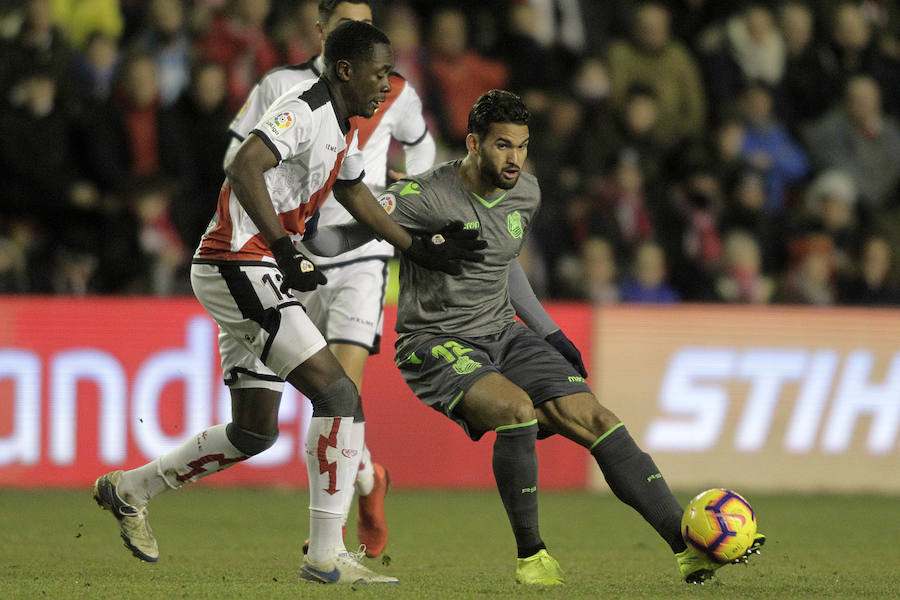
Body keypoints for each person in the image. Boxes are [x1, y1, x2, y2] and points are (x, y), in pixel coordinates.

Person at [308, 90, 765, 585]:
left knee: (598, 419)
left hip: (504, 331)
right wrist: (328, 229)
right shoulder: (425, 196)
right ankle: (532, 556)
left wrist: (549, 331)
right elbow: (335, 238)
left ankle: (686, 548)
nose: (514, 159)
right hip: (434, 342)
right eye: (503, 146)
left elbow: (505, 266)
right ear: (473, 143)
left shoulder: (526, 192)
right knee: (517, 410)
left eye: (522, 146)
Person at [91, 21, 484, 585]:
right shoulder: (302, 109)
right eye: (379, 73)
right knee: (338, 392)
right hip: (239, 262)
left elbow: (353, 191)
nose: (388, 84)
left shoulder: (345, 125)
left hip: (252, 266)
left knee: (255, 431)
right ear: (345, 70)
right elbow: (243, 164)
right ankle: (325, 555)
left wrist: (414, 245)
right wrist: (282, 245)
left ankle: (129, 489)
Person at [224, 0, 437, 559]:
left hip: (361, 256)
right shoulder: (283, 89)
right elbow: (238, 159)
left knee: (341, 393)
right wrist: (266, 238)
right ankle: (367, 479)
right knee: (324, 401)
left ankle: (329, 540)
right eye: (347, 25)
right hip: (292, 255)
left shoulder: (393, 90)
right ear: (325, 33)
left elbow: (419, 147)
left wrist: (407, 195)